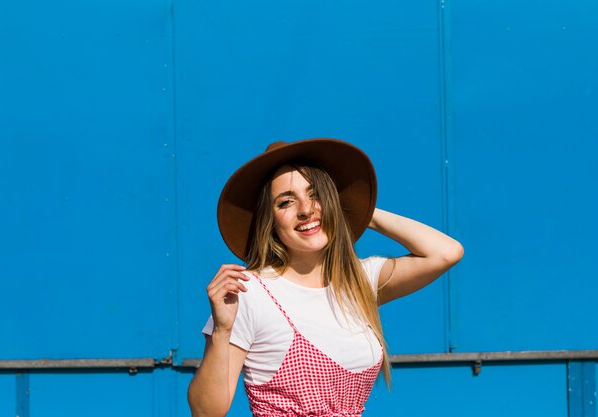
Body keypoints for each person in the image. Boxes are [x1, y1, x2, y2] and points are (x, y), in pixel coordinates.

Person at [188, 138, 464, 417]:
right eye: (286, 202)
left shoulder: (360, 280)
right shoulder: (250, 292)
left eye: (316, 194)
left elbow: (446, 252)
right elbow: (205, 412)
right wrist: (222, 332)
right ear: (269, 221)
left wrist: (358, 210)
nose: (306, 210)